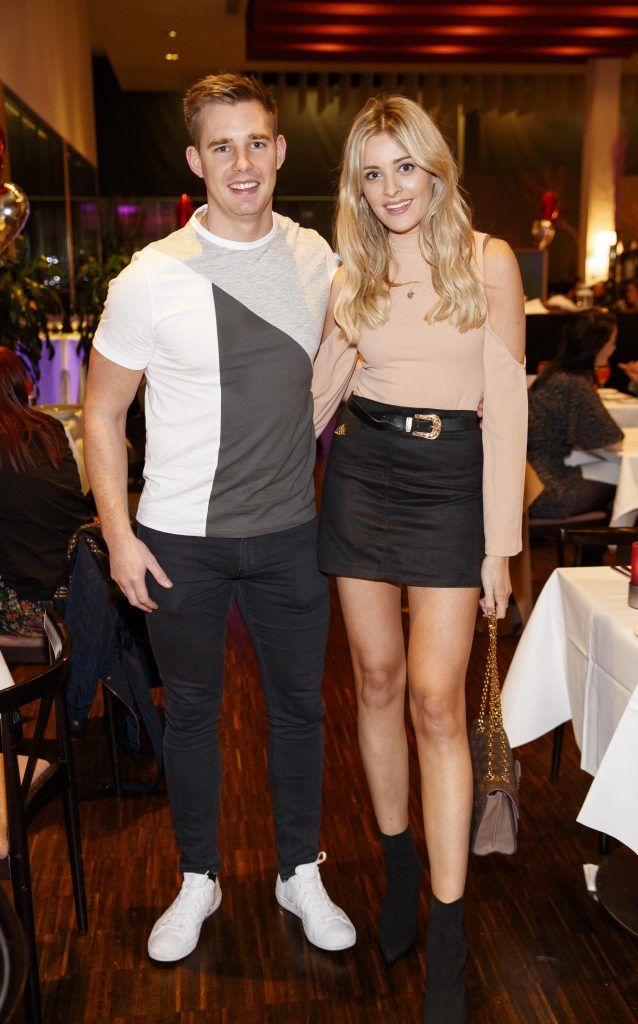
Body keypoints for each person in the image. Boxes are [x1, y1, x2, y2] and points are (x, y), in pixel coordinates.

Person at [83, 73, 355, 965]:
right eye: (223, 146)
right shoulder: (150, 278)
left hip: (289, 538)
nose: (244, 162)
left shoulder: (319, 260)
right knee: (193, 714)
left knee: (299, 713)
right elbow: (100, 413)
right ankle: (197, 877)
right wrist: (120, 536)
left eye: (258, 143)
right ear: (197, 161)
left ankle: (298, 871)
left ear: (279, 151)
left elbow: (350, 352)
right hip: (177, 543)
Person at [311, 95, 527, 1023]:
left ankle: (447, 926)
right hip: (361, 472)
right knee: (375, 680)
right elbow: (316, 393)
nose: (392, 187)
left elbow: (507, 406)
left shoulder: (489, 262)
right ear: (357, 187)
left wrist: (500, 548)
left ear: (436, 169)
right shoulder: (349, 271)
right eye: (372, 171)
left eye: (406, 166)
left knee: (439, 703)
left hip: (451, 482)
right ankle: (398, 871)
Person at [0, 347, 91, 636]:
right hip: (82, 596)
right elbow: (81, 489)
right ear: (23, 385)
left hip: (29, 608)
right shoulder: (53, 428)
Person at [528, 311, 623, 519]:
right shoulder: (574, 384)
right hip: (548, 487)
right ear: (597, 346)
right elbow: (613, 442)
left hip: (531, 479)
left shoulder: (552, 374)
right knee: (626, 485)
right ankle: (614, 546)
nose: (614, 348)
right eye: (612, 342)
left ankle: (596, 548)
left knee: (616, 482)